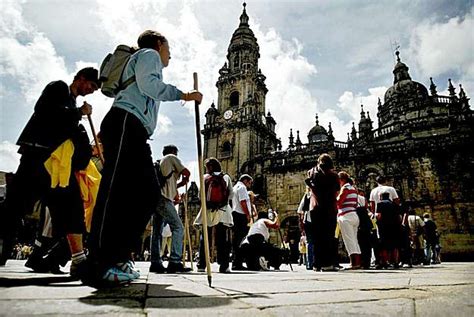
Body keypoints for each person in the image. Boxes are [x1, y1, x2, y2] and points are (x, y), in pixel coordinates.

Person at [87, 30, 202, 285]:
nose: (170, 54)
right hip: (126, 122)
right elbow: (151, 86)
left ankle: (119, 255)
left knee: (148, 193)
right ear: (160, 43)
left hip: (134, 129)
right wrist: (185, 95)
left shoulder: (144, 57)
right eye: (168, 47)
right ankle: (100, 261)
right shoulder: (148, 54)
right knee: (115, 191)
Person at [0, 68, 100, 276]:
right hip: (37, 157)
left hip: (57, 166)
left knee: (70, 206)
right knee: (15, 206)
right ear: (81, 78)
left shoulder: (72, 102)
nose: (91, 91)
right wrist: (78, 114)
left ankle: (77, 259)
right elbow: (45, 112)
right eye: (91, 85)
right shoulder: (59, 88)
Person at [150, 145, 191, 274]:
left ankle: (155, 262)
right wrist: (186, 178)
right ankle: (174, 261)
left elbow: (168, 185)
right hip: (163, 199)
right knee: (178, 227)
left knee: (156, 231)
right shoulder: (171, 157)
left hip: (156, 198)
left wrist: (180, 184)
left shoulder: (161, 163)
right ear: (174, 152)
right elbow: (186, 172)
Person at [194, 157, 234, 273]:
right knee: (223, 239)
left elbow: (200, 196)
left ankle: (202, 265)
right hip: (222, 211)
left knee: (205, 238)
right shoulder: (226, 177)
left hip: (208, 211)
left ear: (210, 167)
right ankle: (224, 265)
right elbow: (231, 194)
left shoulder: (204, 178)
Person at [305, 153, 340, 271]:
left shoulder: (312, 173)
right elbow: (336, 192)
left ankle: (316, 264)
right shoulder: (334, 176)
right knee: (329, 236)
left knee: (317, 237)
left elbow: (310, 184)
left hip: (315, 208)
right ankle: (327, 264)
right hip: (330, 208)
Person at [336, 172, 361, 270]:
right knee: (354, 240)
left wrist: (335, 197)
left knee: (349, 240)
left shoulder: (345, 188)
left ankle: (353, 263)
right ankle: (358, 261)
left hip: (345, 217)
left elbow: (339, 202)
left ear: (341, 180)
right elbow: (355, 204)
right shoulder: (354, 189)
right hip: (354, 215)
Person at [231, 174, 253, 270]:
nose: (250, 185)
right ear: (245, 180)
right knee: (241, 240)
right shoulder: (242, 188)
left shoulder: (235, 187)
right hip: (241, 215)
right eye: (249, 182)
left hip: (235, 214)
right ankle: (238, 263)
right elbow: (243, 202)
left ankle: (236, 262)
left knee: (236, 240)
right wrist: (247, 214)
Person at [376, 192, 401, 269]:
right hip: (394, 226)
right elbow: (399, 217)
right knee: (395, 245)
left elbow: (379, 216)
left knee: (383, 245)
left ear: (381, 197)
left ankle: (385, 262)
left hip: (383, 226)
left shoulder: (380, 204)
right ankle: (396, 262)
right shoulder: (395, 205)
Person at [296, 187, 314, 270]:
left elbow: (299, 210)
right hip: (318, 219)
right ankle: (317, 262)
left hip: (308, 219)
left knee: (309, 242)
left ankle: (309, 264)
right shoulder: (318, 194)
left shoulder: (306, 195)